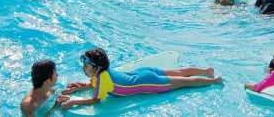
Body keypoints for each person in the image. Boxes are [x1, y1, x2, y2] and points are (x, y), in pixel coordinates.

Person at [60, 47, 221, 109]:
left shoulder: (102, 78)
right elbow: (93, 83)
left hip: (149, 82)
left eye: (86, 65)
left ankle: (213, 80)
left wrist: (74, 101)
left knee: (184, 83)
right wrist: (80, 87)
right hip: (143, 72)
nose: (84, 68)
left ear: (96, 67)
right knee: (178, 72)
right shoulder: (103, 72)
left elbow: (95, 100)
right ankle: (206, 71)